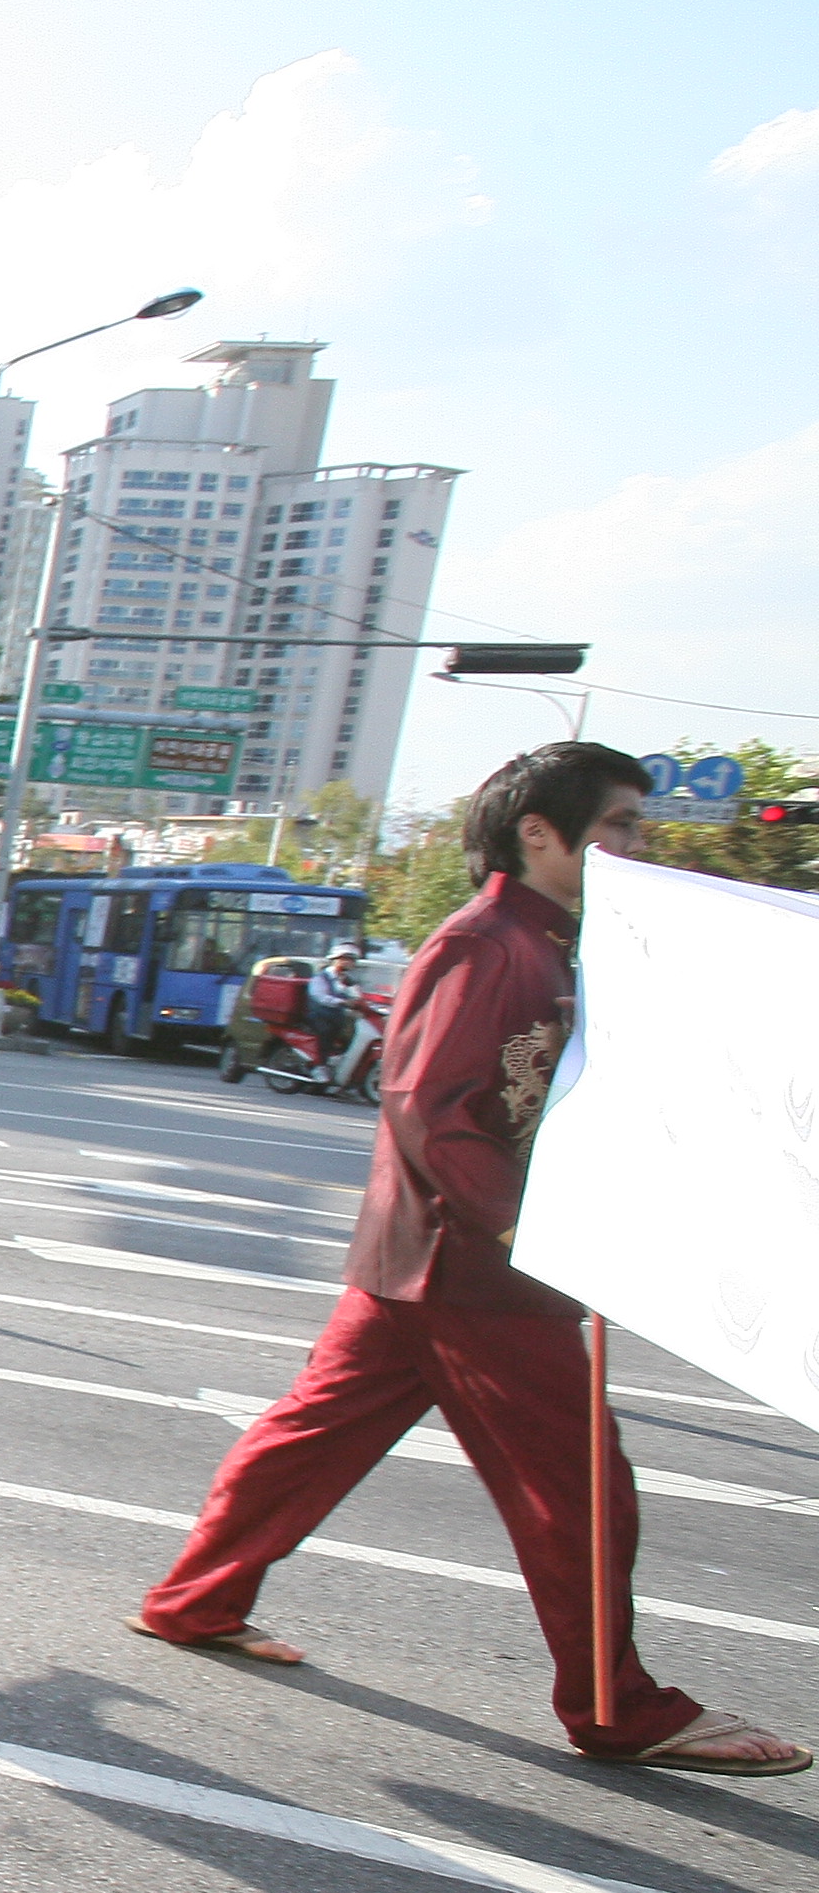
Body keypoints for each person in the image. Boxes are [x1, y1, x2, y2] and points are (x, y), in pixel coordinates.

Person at [129, 743, 804, 1774]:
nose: (636, 842)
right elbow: (426, 1106)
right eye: (620, 823)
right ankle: (616, 1705)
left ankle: (192, 1600)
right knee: (581, 1488)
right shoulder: (490, 943)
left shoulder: (559, 943)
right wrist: (521, 1228)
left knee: (309, 1439)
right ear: (542, 831)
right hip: (471, 1266)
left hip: (432, 1259)